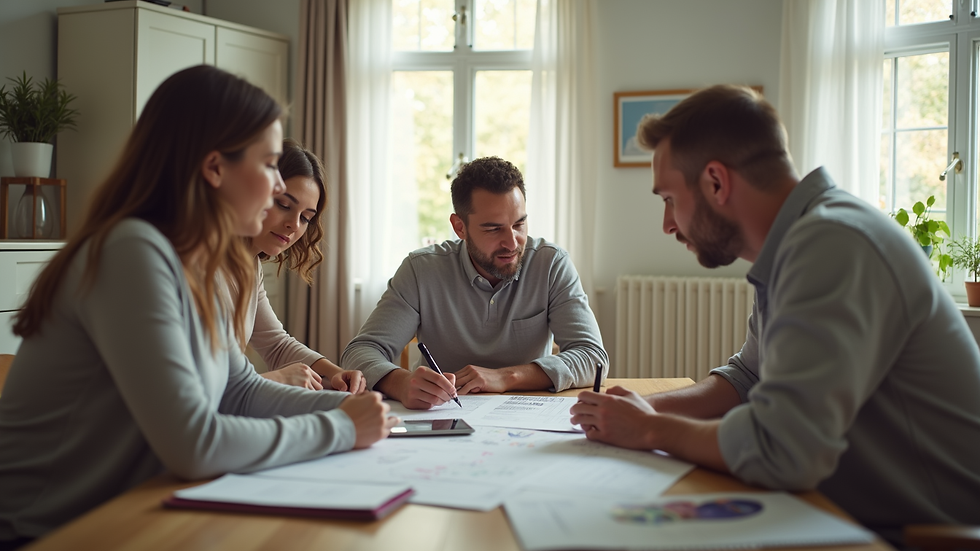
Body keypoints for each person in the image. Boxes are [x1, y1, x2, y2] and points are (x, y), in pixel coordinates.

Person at [0, 65, 397, 549]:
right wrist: (339, 425)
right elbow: (194, 444)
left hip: (130, 514)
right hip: (47, 532)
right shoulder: (132, 251)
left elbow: (241, 391)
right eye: (270, 164)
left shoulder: (202, 261)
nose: (277, 189)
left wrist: (355, 408)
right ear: (214, 168)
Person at [569, 84, 980, 541]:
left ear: (716, 182)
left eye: (668, 198)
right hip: (849, 514)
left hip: (929, 533)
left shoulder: (830, 244)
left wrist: (650, 430)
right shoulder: (797, 242)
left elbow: (782, 448)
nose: (667, 224)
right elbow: (747, 378)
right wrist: (634, 411)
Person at [342, 156, 608, 409]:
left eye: (519, 224)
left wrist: (507, 377)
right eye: (493, 229)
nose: (512, 242)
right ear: (459, 227)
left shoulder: (551, 264)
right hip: (444, 416)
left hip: (529, 420)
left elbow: (593, 357)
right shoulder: (421, 270)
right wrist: (400, 383)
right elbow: (361, 351)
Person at [246, 138, 366, 393]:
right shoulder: (203, 265)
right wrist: (276, 379)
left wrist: (337, 373)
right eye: (284, 205)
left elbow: (277, 346)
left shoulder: (249, 267)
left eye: (306, 218)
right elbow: (201, 384)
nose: (294, 225)